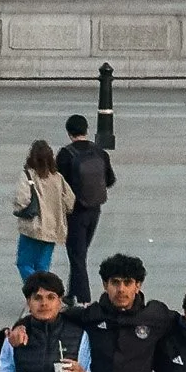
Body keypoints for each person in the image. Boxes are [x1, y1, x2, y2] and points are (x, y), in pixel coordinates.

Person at [56, 114, 115, 303]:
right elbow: (110, 180)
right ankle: (72, 293)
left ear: (69, 132)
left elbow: (59, 185)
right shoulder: (99, 152)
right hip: (95, 208)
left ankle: (82, 298)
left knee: (76, 255)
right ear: (86, 130)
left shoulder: (66, 154)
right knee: (80, 253)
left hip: (75, 211)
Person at [13, 139, 75, 280]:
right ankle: (43, 288)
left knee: (24, 263)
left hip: (32, 227)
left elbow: (22, 200)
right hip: (52, 227)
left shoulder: (28, 175)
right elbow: (70, 200)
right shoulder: (57, 177)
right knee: (43, 265)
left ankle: (35, 289)